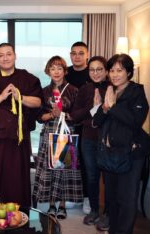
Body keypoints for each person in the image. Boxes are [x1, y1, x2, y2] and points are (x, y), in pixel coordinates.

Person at [0, 42, 43, 207]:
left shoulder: (27, 78)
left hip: (18, 137)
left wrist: (20, 97)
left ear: (15, 56)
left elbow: (38, 102)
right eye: (1, 55)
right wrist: (2, 96)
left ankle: (19, 213)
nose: (5, 58)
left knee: (16, 177)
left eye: (8, 54)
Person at [93, 54, 149, 234]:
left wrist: (113, 106)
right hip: (110, 153)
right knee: (112, 198)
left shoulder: (137, 92)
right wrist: (103, 108)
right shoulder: (110, 91)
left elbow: (135, 121)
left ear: (129, 72)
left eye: (120, 70)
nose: (115, 74)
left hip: (132, 154)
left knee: (127, 199)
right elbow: (97, 121)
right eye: (112, 70)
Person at [32, 56, 83, 220]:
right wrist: (50, 114)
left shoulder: (74, 90)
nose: (56, 71)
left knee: (63, 170)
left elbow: (77, 115)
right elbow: (38, 116)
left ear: (65, 71)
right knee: (51, 169)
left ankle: (62, 205)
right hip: (49, 131)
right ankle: (51, 205)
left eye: (59, 68)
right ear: (48, 71)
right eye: (52, 68)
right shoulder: (44, 91)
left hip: (67, 131)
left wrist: (63, 114)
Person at [70, 56, 109, 230]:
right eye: (92, 70)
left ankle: (107, 213)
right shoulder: (84, 89)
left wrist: (99, 110)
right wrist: (93, 108)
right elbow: (75, 114)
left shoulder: (112, 88)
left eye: (99, 69)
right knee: (92, 176)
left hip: (108, 140)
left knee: (108, 178)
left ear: (106, 71)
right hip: (88, 139)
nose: (95, 73)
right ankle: (94, 210)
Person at [65, 41, 91, 213]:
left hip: (88, 126)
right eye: (73, 53)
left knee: (87, 163)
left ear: (87, 54)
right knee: (69, 162)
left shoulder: (93, 72)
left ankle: (88, 197)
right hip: (68, 124)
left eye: (81, 53)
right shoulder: (65, 73)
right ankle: (74, 196)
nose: (77, 56)